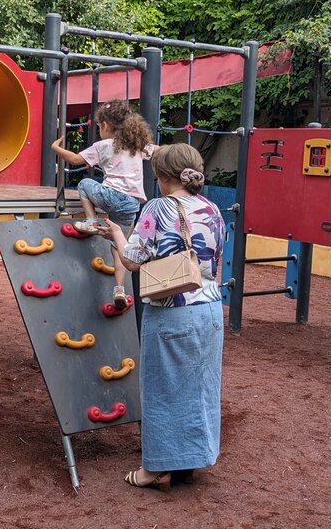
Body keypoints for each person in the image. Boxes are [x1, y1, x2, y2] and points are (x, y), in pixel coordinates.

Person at [97, 142, 226, 491]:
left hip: (172, 309)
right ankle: (192, 459)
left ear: (162, 176)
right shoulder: (213, 209)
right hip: (211, 309)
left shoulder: (159, 207)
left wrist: (117, 235)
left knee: (162, 388)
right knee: (200, 387)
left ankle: (156, 469)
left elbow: (133, 260)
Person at [51, 99, 156, 309]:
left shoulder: (103, 145)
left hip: (110, 197)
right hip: (131, 205)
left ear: (106, 125)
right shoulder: (137, 145)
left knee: (85, 183)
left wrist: (55, 147)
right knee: (119, 248)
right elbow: (159, 151)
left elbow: (74, 160)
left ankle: (91, 220)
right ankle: (119, 289)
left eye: (99, 126)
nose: (99, 129)